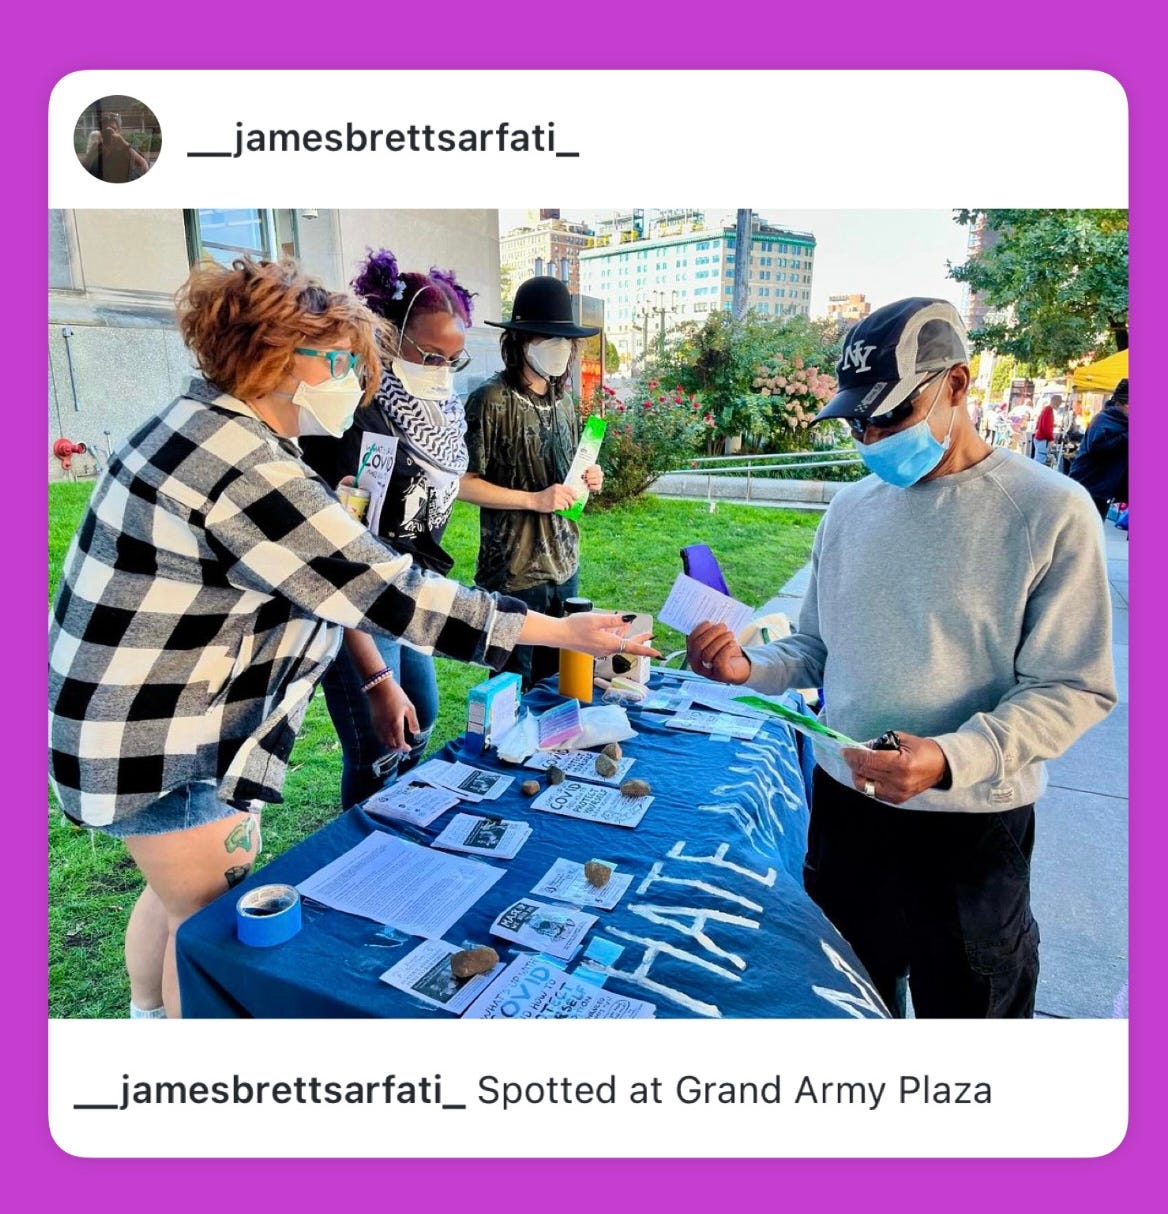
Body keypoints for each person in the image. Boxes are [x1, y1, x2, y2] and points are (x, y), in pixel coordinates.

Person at [48, 258, 654, 1019]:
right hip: (156, 736)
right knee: (206, 928)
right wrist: (558, 629)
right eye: (338, 360)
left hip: (131, 721)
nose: (357, 380)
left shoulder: (201, 423)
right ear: (271, 355)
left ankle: (145, 1019)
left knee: (171, 900)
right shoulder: (243, 462)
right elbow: (386, 590)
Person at [686, 298, 1116, 1019]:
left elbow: (1073, 687)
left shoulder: (1048, 510)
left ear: (958, 384)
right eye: (858, 420)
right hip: (847, 813)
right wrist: (747, 670)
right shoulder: (851, 508)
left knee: (971, 1018)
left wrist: (951, 757)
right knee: (842, 1002)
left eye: (889, 414)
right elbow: (817, 647)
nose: (871, 435)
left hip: (970, 823)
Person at [300, 249, 475, 807]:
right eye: (430, 354)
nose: (442, 370)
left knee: (418, 721)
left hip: (407, 587)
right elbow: (327, 559)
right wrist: (375, 679)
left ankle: (389, 830)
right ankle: (363, 859)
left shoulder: (442, 413)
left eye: (454, 358)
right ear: (391, 336)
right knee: (379, 745)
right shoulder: (347, 413)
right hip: (354, 600)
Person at [460, 275, 604, 689]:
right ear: (521, 341)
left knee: (562, 685)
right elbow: (462, 484)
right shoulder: (490, 400)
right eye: (546, 338)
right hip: (513, 575)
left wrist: (591, 477)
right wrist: (532, 500)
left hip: (565, 567)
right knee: (513, 691)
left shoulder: (564, 398)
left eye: (565, 340)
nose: (559, 348)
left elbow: (570, 472)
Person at [1069, 378, 1129, 521]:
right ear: (1124, 403)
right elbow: (1098, 449)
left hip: (1103, 490)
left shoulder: (1125, 422)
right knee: (1082, 535)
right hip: (1087, 487)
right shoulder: (1104, 419)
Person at [79, 111, 151, 183]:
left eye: (113, 129)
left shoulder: (127, 149)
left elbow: (144, 168)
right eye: (104, 130)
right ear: (100, 132)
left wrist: (123, 143)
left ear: (119, 131)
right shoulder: (97, 150)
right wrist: (91, 154)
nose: (109, 132)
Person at [1033, 395, 1057, 464]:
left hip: (1039, 437)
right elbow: (1046, 427)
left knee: (1038, 459)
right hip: (1042, 439)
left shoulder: (1046, 409)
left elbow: (1041, 423)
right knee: (1040, 461)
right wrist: (1051, 438)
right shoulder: (1049, 410)